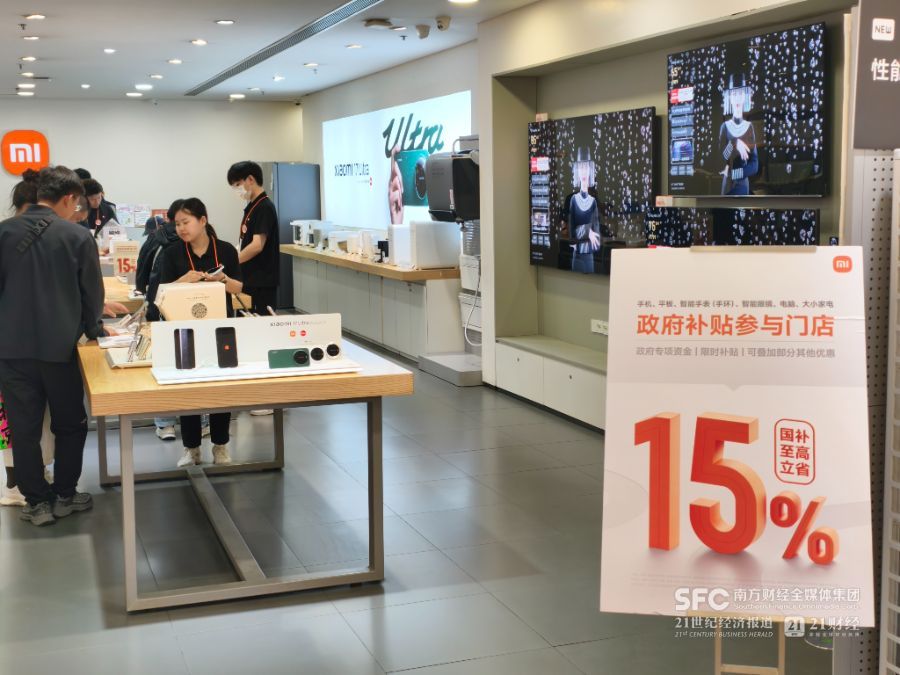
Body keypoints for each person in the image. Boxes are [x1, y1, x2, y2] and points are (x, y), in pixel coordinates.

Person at [0, 166, 107, 526]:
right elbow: (92, 294)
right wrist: (94, 329)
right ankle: (64, 495)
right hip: (60, 350)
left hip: (11, 351)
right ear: (69, 198)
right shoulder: (77, 237)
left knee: (24, 429)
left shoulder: (3, 232)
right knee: (70, 424)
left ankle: (36, 503)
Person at [158, 198, 242, 467]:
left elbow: (239, 288)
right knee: (188, 389)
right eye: (177, 224)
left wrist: (223, 279)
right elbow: (159, 294)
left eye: (186, 222)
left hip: (221, 328)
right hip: (184, 330)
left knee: (221, 388)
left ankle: (221, 446)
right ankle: (191, 448)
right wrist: (182, 281)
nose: (181, 228)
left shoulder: (225, 250)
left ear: (203, 220)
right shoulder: (172, 253)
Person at [227, 161, 278, 314]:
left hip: (261, 281)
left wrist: (233, 262)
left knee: (259, 322)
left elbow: (257, 245)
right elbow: (246, 240)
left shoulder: (264, 207)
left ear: (250, 179)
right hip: (249, 278)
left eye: (238, 184)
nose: (237, 190)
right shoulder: (252, 206)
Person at [719, 73, 758, 196]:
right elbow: (721, 159)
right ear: (730, 97)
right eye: (734, 94)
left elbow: (755, 165)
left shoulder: (749, 127)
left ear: (744, 96)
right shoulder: (725, 127)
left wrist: (734, 174)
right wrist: (734, 142)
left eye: (740, 93)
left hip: (742, 187)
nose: (737, 98)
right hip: (727, 187)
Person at [568, 147, 601, 274]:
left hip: (589, 256)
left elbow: (597, 239)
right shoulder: (573, 200)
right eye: (580, 167)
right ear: (577, 170)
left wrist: (585, 232)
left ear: (590, 170)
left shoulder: (593, 202)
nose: (583, 171)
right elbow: (572, 235)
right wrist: (588, 231)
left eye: (586, 167)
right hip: (577, 255)